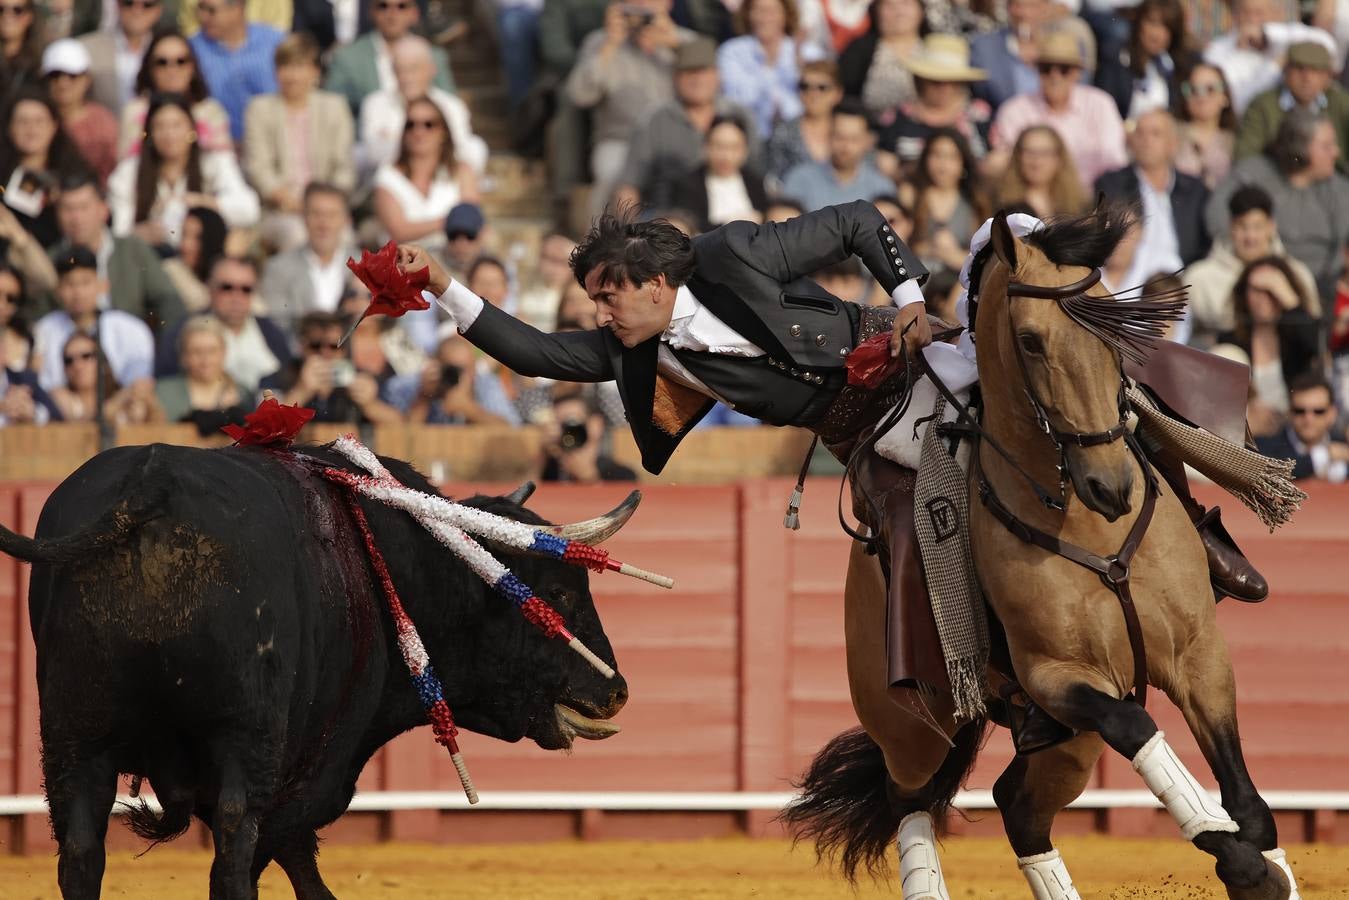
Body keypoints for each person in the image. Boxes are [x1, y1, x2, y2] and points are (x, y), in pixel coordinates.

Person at [1206, 109, 1349, 303]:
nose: (1336, 152)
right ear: (1301, 148)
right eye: (1326, 146)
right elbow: (1216, 217)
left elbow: (1341, 252)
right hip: (1252, 282)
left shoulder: (1340, 190)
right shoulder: (1252, 174)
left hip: (1322, 291)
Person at [567, 0, 693, 216]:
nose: (643, 6)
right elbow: (580, 95)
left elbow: (708, 92)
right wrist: (610, 45)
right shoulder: (600, 41)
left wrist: (675, 46)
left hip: (676, 136)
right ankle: (602, 245)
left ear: (668, 4)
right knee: (611, 177)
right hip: (619, 139)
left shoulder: (686, 40)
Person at [243, 31, 356, 252]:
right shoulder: (259, 109)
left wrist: (327, 207)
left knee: (345, 241)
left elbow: (344, 168)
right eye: (285, 66)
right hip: (279, 211)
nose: (292, 75)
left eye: (300, 66)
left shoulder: (334, 107)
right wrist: (291, 202)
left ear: (314, 71)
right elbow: (258, 168)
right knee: (297, 236)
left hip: (327, 208)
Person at [615, 36, 758, 208]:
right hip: (670, 214)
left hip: (732, 210)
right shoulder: (656, 119)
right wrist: (628, 228)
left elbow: (756, 173)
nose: (697, 80)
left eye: (704, 71)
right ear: (675, 77)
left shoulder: (739, 115)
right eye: (689, 72)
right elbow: (630, 184)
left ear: (718, 75)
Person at [106, 92, 260, 248]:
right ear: (149, 134)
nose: (169, 135)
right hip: (150, 255)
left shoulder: (214, 162)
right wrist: (144, 232)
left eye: (177, 125)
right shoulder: (129, 171)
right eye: (160, 126)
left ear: (192, 130)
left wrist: (201, 202)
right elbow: (119, 232)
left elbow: (249, 210)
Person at [985, 30, 1128, 189]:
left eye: (1064, 69)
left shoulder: (1100, 105)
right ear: (1037, 71)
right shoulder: (1014, 111)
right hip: (1034, 203)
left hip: (1092, 200)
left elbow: (1114, 162)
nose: (1055, 76)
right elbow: (1009, 168)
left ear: (1077, 73)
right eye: (1046, 68)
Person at [49, 170, 184, 331]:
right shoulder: (51, 258)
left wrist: (164, 346)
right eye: (68, 209)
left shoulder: (132, 249)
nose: (76, 218)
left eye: (84, 207)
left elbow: (167, 299)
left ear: (103, 209)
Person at [1186, 184, 1318, 344]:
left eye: (1258, 227)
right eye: (1242, 226)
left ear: (1271, 227)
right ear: (1231, 226)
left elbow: (1316, 338)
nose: (1250, 237)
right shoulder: (1199, 279)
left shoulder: (1297, 273)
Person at [1093, 109, 1210, 288]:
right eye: (1140, 133)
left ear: (1173, 143)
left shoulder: (1195, 189)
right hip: (1131, 279)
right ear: (1131, 141)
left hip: (1185, 281)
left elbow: (1204, 244)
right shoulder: (1111, 184)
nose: (1146, 141)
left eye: (1156, 134)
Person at [356, 33, 487, 179]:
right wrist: (425, 146)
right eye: (400, 69)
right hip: (392, 179)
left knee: (476, 147)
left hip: (439, 179)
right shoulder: (375, 103)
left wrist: (400, 143)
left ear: (431, 69)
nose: (406, 77)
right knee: (358, 153)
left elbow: (459, 149)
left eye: (413, 69)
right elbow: (373, 153)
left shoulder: (451, 105)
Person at [157, 256, 290, 392]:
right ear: (210, 287)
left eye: (246, 289)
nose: (236, 297)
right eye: (227, 287)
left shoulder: (272, 332)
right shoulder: (183, 333)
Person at [33, 245, 154, 392]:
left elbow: (139, 386)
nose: (78, 292)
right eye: (70, 284)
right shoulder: (43, 331)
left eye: (85, 282)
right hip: (60, 412)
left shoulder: (130, 330)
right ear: (58, 290)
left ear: (102, 285)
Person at [1220, 255, 1324, 419]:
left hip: (1294, 425)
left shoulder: (1297, 337)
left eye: (1271, 291)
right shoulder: (1230, 339)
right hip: (1245, 426)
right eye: (1256, 290)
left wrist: (1288, 298)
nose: (1263, 298)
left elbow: (1318, 345)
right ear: (1244, 294)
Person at [370, 95, 479, 248]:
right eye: (410, 125)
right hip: (403, 263)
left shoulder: (461, 171)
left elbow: (471, 221)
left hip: (452, 260)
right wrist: (449, 221)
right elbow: (399, 231)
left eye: (428, 124)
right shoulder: (387, 175)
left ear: (443, 131)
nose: (418, 132)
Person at [263, 310, 402, 424]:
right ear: (302, 347)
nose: (326, 353)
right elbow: (263, 426)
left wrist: (370, 405)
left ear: (345, 349)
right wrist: (301, 392)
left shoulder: (361, 378)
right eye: (316, 346)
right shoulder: (280, 377)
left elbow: (401, 426)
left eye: (334, 346)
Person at [323, 0, 456, 118]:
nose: (392, 14)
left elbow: (448, 106)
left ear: (414, 13)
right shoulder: (346, 57)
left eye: (402, 6)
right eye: (383, 6)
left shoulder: (433, 56)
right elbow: (332, 111)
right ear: (371, 11)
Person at [875, 32, 990, 167]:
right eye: (935, 81)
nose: (944, 88)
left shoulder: (979, 115)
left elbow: (993, 163)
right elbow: (886, 165)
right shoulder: (897, 118)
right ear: (921, 80)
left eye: (952, 81)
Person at [1201, 0, 1336, 116]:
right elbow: (1239, 105)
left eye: (1259, 13)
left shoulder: (1283, 36)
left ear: (1275, 14)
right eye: (1246, 13)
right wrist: (1273, 67)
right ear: (1235, 15)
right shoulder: (1216, 51)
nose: (1252, 20)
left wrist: (1268, 35)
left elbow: (1327, 44)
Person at [259, 182, 356, 338]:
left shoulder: (364, 266)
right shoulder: (278, 268)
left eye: (332, 215)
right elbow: (278, 325)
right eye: (316, 214)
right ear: (304, 218)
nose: (324, 224)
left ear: (346, 220)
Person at [0, 86, 93, 248]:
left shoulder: (74, 173)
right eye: (23, 122)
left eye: (39, 121)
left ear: (54, 126)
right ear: (9, 127)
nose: (31, 129)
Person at [118, 30, 232, 158]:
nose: (172, 70)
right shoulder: (134, 111)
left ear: (192, 68)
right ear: (149, 68)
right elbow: (127, 162)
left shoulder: (211, 111)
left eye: (181, 61)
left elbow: (223, 162)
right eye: (162, 62)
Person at [717, 0, 823, 139]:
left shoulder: (809, 53)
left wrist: (801, 70)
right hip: (749, 136)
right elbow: (735, 99)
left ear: (786, 15)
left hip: (800, 138)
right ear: (748, 14)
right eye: (759, 11)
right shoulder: (731, 52)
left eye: (772, 12)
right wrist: (767, 67)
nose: (765, 18)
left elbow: (820, 100)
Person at [1235, 41, 1349, 169]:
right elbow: (1246, 156)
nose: (1307, 78)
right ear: (1286, 71)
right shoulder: (1263, 105)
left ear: (1327, 77)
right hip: (1278, 180)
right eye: (1300, 69)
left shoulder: (1342, 103)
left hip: (1334, 181)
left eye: (1315, 70)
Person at [188, 0, 285, 145]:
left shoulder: (275, 42)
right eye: (200, 9)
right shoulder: (191, 49)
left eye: (210, 10)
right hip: (215, 146)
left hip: (274, 142)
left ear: (237, 8)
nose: (203, 17)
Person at [780, 98, 895, 211]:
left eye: (854, 139)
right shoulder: (800, 181)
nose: (846, 146)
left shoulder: (882, 189)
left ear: (867, 141)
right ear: (828, 135)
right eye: (840, 137)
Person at [907, 126, 987, 274]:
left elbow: (983, 256)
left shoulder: (975, 203)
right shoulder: (910, 195)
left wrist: (953, 256)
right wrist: (930, 248)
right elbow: (900, 245)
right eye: (936, 155)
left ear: (963, 163)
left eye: (952, 157)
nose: (942, 165)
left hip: (958, 283)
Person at [153, 314, 251, 433]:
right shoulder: (163, 392)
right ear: (183, 356)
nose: (205, 360)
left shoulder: (243, 394)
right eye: (196, 352)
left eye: (212, 351)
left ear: (224, 352)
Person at [1094, 0, 1190, 120]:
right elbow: (1104, 112)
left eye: (1166, 27)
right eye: (1152, 22)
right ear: (1139, 22)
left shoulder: (1174, 68)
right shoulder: (1115, 58)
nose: (1156, 34)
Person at [671, 115, 768, 232]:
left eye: (734, 148)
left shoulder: (755, 181)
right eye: (719, 147)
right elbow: (691, 226)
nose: (726, 156)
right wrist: (729, 224)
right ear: (706, 147)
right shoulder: (689, 184)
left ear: (745, 150)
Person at [42, 38, 118, 184]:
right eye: (55, 75)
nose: (63, 83)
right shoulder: (33, 118)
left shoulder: (103, 121)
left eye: (72, 75)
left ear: (87, 79)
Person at [49, 328, 162, 425]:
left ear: (102, 361)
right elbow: (86, 427)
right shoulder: (59, 396)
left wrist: (149, 402)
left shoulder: (124, 396)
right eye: (69, 360)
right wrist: (124, 396)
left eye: (86, 356)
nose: (77, 365)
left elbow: (161, 431)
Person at [837, 0, 925, 118]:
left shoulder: (935, 50)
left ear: (921, 11)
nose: (899, 12)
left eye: (906, 3)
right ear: (876, 11)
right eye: (889, 5)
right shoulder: (859, 50)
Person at [78, 0, 162, 119]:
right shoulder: (86, 48)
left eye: (147, 5)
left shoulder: (167, 51)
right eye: (129, 3)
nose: (137, 11)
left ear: (158, 10)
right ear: (117, 5)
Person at [1256, 373, 1348, 481]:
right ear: (1289, 412)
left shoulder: (1344, 444)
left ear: (1332, 413)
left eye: (1318, 411)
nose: (1308, 419)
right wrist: (1323, 456)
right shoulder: (1263, 447)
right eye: (1300, 411)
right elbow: (1270, 472)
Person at [764, 59, 843, 185]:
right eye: (804, 86)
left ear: (838, 94)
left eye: (822, 88)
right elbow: (775, 180)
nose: (812, 94)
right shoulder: (783, 133)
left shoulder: (847, 133)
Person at [538, 387, 638, 482]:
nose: (566, 430)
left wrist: (589, 477)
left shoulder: (621, 474)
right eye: (559, 424)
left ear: (596, 424)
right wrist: (541, 457)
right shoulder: (549, 469)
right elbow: (526, 494)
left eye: (572, 421)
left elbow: (625, 499)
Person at [993, 124, 1086, 218]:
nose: (1037, 161)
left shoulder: (1076, 207)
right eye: (1029, 152)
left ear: (1059, 158)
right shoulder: (1001, 207)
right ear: (1018, 157)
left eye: (1045, 153)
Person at [1172, 60, 1237, 190]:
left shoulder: (1236, 141)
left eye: (1210, 89)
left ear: (1225, 97)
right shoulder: (1169, 133)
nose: (1202, 97)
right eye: (1193, 90)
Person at [160, 205, 226, 314]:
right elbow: (199, 303)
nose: (185, 245)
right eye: (184, 235)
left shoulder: (226, 271)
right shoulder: (171, 268)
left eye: (197, 238)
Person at [0, 0, 46, 106]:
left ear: (29, 17)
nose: (7, 16)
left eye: (17, 10)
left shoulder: (40, 65)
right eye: (1, 9)